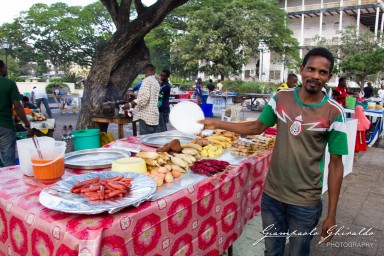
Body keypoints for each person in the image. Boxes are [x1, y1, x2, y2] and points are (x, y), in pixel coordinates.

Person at [199, 47, 348, 255]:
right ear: (301, 69)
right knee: (272, 251)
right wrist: (218, 124)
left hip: (306, 202)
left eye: (322, 72)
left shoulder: (334, 112)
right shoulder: (281, 98)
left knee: (298, 252)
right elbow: (256, 127)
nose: (315, 76)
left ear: (329, 77)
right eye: (311, 69)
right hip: (272, 197)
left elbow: (336, 164)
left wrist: (332, 214)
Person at [0, 60, 32, 167]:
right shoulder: (9, 83)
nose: (6, 70)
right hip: (5, 125)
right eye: (5, 67)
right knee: (8, 160)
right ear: (1, 69)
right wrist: (26, 124)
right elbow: (18, 106)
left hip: (5, 125)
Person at [123, 64, 160, 135]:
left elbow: (144, 98)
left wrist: (130, 104)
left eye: (146, 71)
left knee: (145, 141)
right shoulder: (156, 82)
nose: (145, 73)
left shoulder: (147, 81)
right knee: (151, 142)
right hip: (153, 117)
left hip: (146, 117)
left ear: (150, 70)